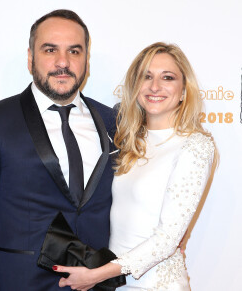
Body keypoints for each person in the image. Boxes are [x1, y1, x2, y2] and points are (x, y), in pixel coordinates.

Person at [0, 9, 117, 291]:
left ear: (86, 62)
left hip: (95, 284)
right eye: (50, 49)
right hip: (20, 283)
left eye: (75, 51)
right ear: (30, 58)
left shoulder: (112, 122)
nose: (63, 62)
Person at [53, 42, 217, 290]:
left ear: (184, 90)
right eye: (146, 76)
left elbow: (167, 240)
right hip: (117, 282)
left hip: (156, 285)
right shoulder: (130, 140)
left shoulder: (195, 146)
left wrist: (97, 275)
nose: (154, 86)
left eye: (168, 77)